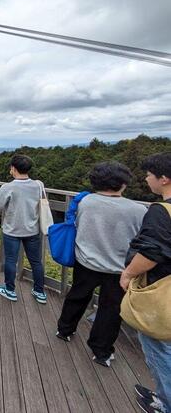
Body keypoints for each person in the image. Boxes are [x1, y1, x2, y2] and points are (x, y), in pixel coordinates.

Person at [55, 162, 146, 367]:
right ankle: (102, 351)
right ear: (123, 183)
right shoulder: (139, 210)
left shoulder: (85, 202)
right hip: (119, 268)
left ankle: (64, 330)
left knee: (77, 296)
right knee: (111, 309)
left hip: (86, 261)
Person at [120, 153, 171, 413]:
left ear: (164, 179)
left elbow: (152, 252)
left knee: (161, 350)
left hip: (161, 295)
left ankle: (165, 403)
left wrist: (128, 273)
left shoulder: (161, 212)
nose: (146, 179)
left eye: (149, 175)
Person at [0, 154, 47, 304]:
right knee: (36, 262)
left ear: (13, 169)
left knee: (10, 260)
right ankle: (39, 291)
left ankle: (10, 290)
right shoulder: (37, 185)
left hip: (12, 229)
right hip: (32, 229)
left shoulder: (9, 187)